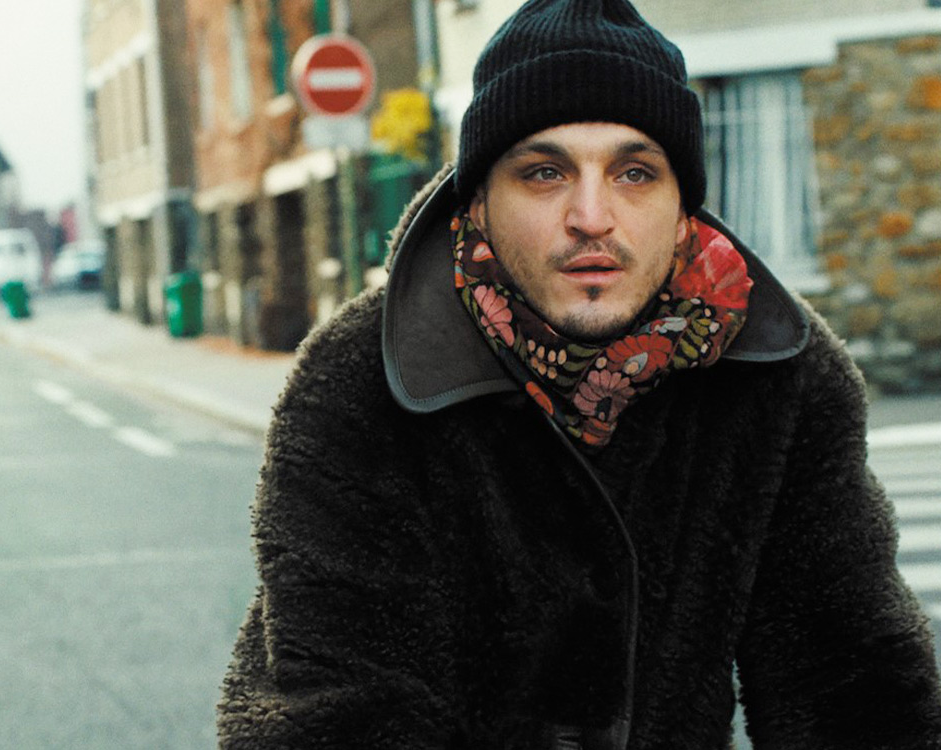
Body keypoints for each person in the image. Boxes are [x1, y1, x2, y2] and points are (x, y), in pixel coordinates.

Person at [217, 0, 941, 747]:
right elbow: (336, 710)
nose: (592, 215)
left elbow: (851, 679)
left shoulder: (780, 373)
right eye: (543, 172)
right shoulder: (360, 380)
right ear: (481, 201)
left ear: (682, 205)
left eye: (634, 171)